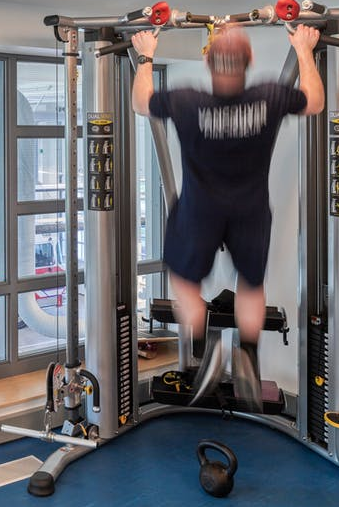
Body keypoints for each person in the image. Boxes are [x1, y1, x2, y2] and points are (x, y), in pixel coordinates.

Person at [130, 23, 324, 410]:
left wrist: (147, 54)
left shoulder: (187, 101)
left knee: (184, 284)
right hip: (250, 209)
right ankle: (247, 353)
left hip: (199, 211)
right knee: (250, 286)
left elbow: (141, 101)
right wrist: (303, 48)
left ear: (207, 61)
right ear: (249, 61)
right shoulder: (269, 97)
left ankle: (204, 344)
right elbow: (314, 101)